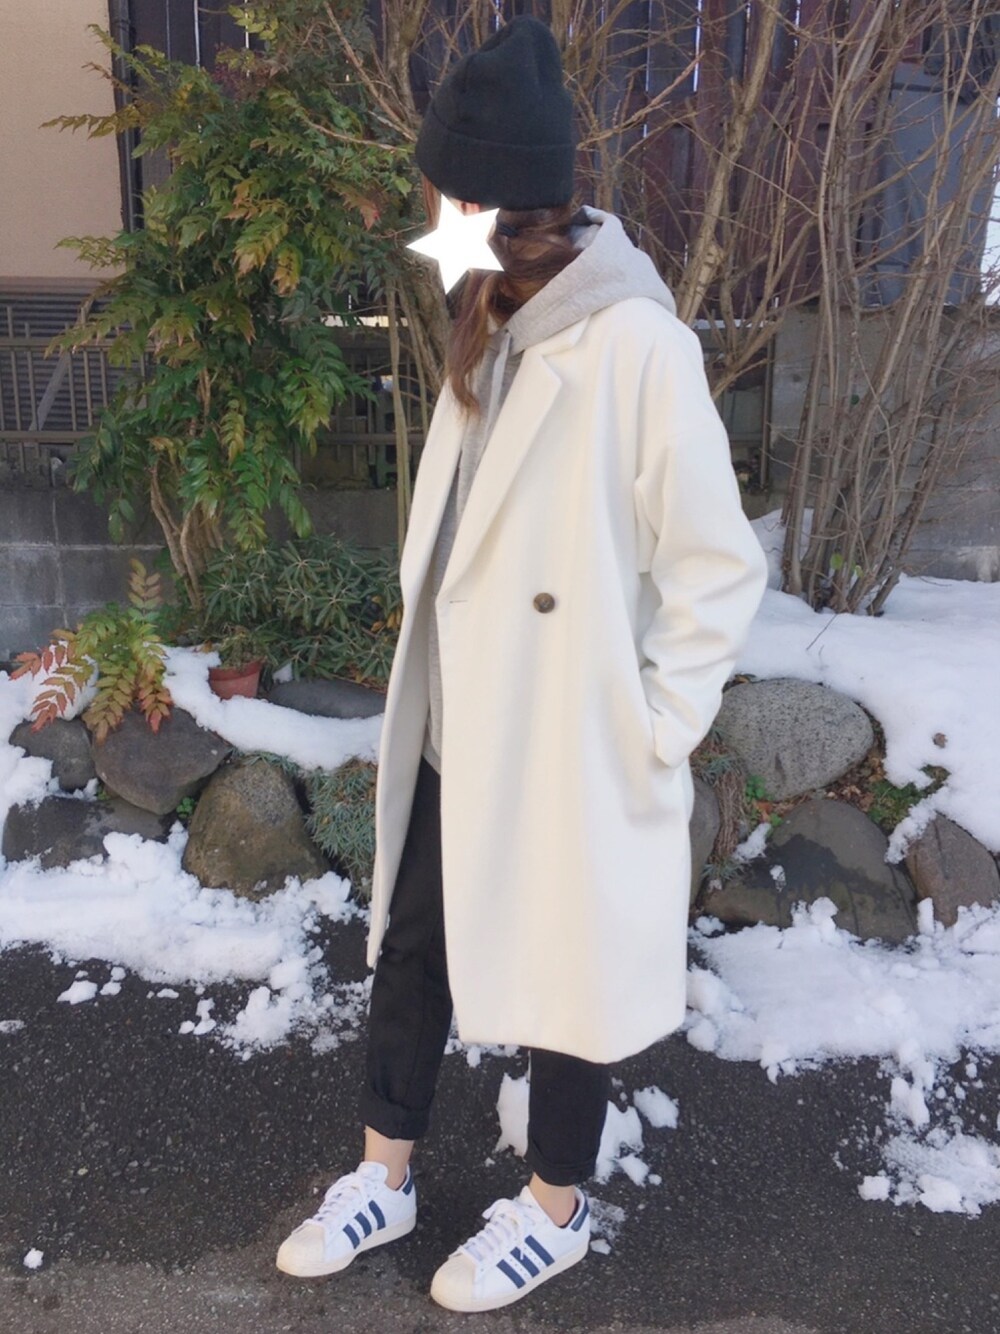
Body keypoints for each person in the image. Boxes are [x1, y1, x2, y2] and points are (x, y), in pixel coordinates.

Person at [275, 15, 768, 1314]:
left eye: (444, 193)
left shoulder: (636, 346)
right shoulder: (490, 310)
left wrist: (650, 726)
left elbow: (717, 564)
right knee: (413, 945)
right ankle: (384, 1173)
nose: (429, 214)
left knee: (566, 970)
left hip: (567, 728)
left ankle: (555, 1207)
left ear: (493, 200)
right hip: (463, 709)